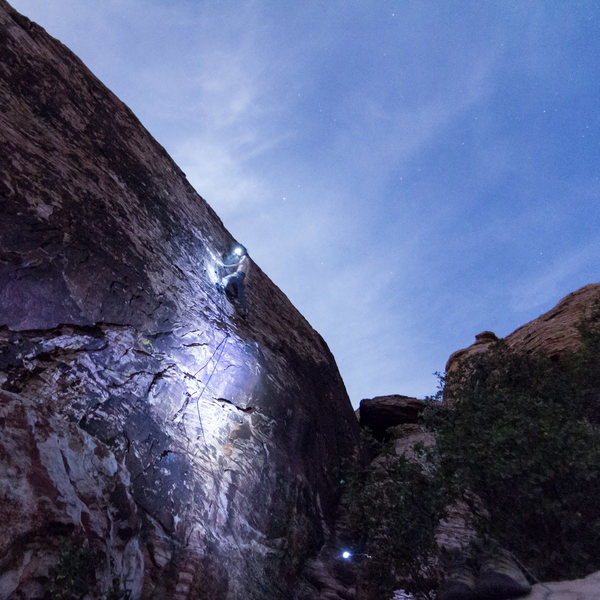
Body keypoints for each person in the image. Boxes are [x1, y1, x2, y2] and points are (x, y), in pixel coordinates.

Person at [216, 245, 250, 314]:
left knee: (226, 279)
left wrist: (226, 266)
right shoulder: (248, 261)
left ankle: (221, 287)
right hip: (241, 276)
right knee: (237, 288)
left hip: (239, 273)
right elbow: (247, 270)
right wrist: (245, 278)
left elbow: (238, 264)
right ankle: (237, 301)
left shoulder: (244, 257)